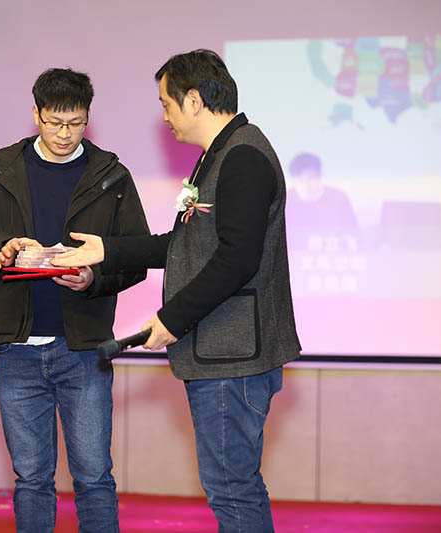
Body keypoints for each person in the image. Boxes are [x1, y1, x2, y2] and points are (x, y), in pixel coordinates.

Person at [53, 50, 301, 532]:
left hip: (232, 357)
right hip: (224, 354)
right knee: (233, 487)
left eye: (166, 104)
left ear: (193, 100)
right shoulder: (222, 154)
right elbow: (187, 244)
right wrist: (107, 250)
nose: (164, 117)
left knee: (231, 489)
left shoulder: (243, 156)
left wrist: (172, 319)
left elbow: (237, 259)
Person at [0, 68, 149, 533]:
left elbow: (137, 255)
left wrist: (93, 279)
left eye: (76, 123)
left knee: (94, 477)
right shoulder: (2, 170)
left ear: (88, 118)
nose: (65, 134)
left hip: (82, 350)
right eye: (55, 123)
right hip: (17, 349)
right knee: (31, 479)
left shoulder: (110, 175)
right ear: (36, 115)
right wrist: (0, 246)